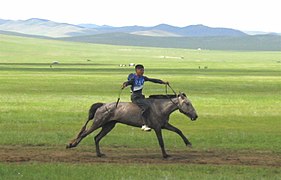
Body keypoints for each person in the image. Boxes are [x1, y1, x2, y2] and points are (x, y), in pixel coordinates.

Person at [122, 64, 168, 131]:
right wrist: (124, 84)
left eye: (143, 70)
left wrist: (163, 82)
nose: (142, 71)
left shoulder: (143, 78)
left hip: (141, 97)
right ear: (136, 70)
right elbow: (128, 82)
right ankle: (144, 124)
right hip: (135, 98)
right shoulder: (133, 79)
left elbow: (153, 80)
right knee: (146, 107)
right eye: (141, 70)